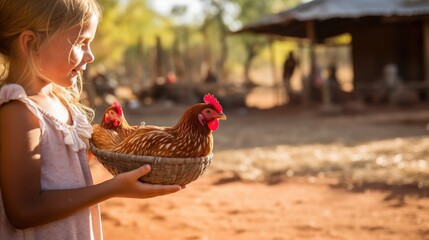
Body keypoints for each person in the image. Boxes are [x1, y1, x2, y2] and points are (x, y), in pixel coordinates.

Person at [0, 0, 183, 239]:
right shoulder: (19, 111)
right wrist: (113, 189)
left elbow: (64, 166)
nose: (91, 55)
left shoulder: (61, 102)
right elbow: (24, 210)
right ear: (31, 43)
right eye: (80, 43)